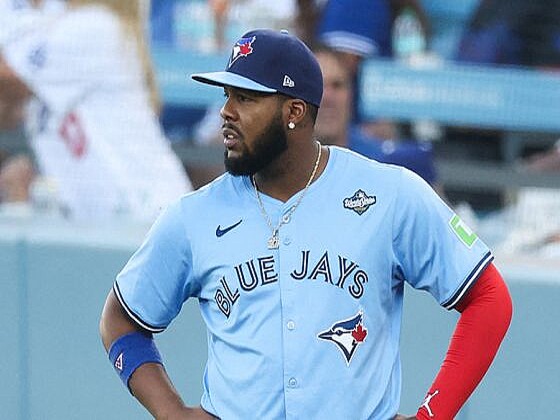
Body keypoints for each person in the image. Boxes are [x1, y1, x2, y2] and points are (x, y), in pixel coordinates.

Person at [99, 29, 512, 419]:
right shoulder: (193, 216)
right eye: (227, 96)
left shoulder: (389, 193)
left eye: (245, 98)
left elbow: (490, 298)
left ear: (294, 112)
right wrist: (171, 412)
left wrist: (433, 414)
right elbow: (119, 321)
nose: (226, 112)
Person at [0, 0, 193, 222]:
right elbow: (7, 112)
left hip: (148, 212)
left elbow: (11, 78)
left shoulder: (95, 27)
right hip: (114, 219)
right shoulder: (59, 27)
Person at [314, 46, 438, 187]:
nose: (328, 97)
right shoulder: (290, 168)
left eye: (337, 86)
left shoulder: (387, 164)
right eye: (318, 86)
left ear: (352, 94)